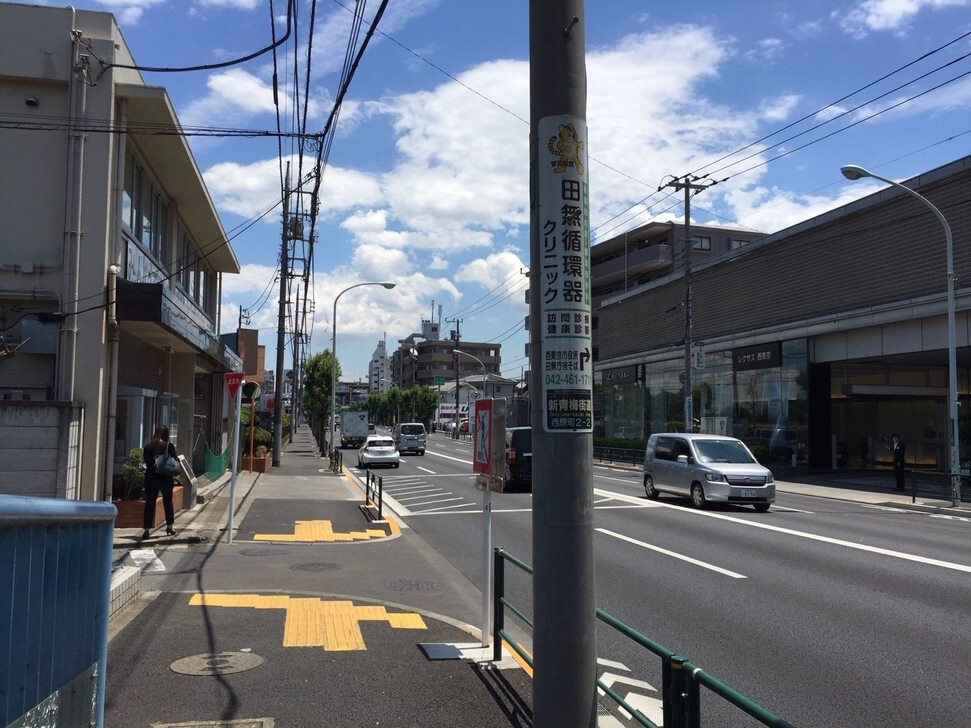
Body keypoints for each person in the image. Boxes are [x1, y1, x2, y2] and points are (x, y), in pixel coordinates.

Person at [142, 425, 179, 538]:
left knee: (150, 504)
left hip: (151, 478)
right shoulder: (169, 446)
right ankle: (169, 527)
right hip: (166, 478)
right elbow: (175, 460)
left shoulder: (148, 447)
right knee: (168, 503)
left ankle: (147, 530)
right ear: (166, 435)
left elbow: (147, 462)